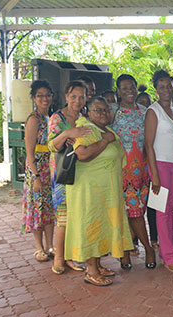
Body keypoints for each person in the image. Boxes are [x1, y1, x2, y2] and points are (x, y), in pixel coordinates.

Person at [65, 96, 134, 286]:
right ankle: (91, 271)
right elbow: (83, 154)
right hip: (89, 191)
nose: (103, 113)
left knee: (101, 227)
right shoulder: (85, 127)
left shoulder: (106, 130)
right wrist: (104, 141)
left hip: (106, 192)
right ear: (88, 111)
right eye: (98, 110)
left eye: (105, 110)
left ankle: (97, 264)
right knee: (91, 228)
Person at [110, 74, 156, 270]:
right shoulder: (113, 112)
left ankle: (128, 250)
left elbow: (151, 141)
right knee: (129, 212)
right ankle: (145, 248)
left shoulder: (146, 112)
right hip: (121, 172)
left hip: (143, 172)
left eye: (132, 87)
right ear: (118, 91)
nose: (129, 91)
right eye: (124, 88)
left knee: (136, 212)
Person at [47, 80, 91, 274]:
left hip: (82, 172)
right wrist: (67, 133)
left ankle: (72, 256)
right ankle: (59, 257)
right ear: (66, 96)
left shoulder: (85, 117)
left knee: (77, 216)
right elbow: (51, 145)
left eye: (81, 97)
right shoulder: (57, 118)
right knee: (63, 217)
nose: (77, 100)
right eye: (73, 96)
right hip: (63, 173)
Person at [145, 70, 173, 273]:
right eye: (162, 87)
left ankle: (165, 253)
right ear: (156, 89)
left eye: (169, 85)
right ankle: (169, 257)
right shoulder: (153, 111)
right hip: (159, 165)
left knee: (169, 211)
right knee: (162, 212)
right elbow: (149, 145)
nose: (166, 90)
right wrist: (155, 175)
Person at [22, 80, 56, 263]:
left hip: (50, 168)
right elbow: (29, 151)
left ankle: (50, 246)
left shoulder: (51, 118)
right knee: (38, 207)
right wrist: (35, 176)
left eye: (47, 95)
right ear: (34, 98)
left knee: (50, 208)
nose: (44, 99)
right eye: (40, 95)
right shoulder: (33, 119)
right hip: (37, 168)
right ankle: (39, 247)